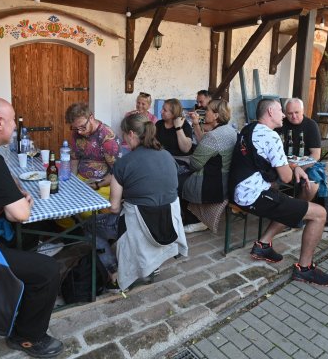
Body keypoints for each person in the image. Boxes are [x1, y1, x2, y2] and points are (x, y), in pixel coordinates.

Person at [0, 97, 63, 357]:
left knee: (25, 242)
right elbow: (20, 215)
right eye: (12, 121)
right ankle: (28, 336)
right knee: (47, 271)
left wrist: (13, 191)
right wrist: (20, 200)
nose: (15, 127)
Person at [229, 98, 328, 286]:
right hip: (253, 195)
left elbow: (267, 160)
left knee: (288, 204)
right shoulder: (271, 136)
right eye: (281, 110)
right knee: (319, 214)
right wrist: (294, 169)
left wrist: (294, 167)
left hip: (239, 190)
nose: (284, 115)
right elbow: (286, 177)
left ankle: (263, 246)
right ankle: (304, 269)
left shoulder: (249, 128)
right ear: (270, 112)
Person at [110, 113, 188, 290]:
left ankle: (113, 271)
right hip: (168, 222)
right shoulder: (167, 156)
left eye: (124, 135)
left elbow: (114, 207)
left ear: (131, 134)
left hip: (139, 224)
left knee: (92, 227)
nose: (124, 140)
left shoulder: (123, 163)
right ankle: (151, 262)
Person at [180, 99, 237, 233]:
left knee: (176, 181)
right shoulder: (229, 130)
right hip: (224, 179)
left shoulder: (214, 136)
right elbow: (205, 144)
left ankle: (195, 220)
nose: (205, 113)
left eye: (208, 110)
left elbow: (195, 164)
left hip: (212, 183)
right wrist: (196, 124)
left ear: (216, 115)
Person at [65, 102, 121, 199]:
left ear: (91, 118)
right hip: (81, 180)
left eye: (82, 127)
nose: (79, 132)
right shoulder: (77, 132)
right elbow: (74, 160)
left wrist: (97, 185)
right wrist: (72, 182)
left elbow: (118, 173)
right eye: (75, 128)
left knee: (84, 206)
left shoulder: (107, 137)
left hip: (102, 184)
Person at [278, 97, 323, 201]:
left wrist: (299, 168)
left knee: (311, 186)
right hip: (282, 164)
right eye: (290, 113)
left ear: (303, 111)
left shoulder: (311, 125)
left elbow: (316, 154)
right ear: (285, 113)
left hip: (304, 164)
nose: (294, 116)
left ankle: (297, 207)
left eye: (297, 112)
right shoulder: (280, 123)